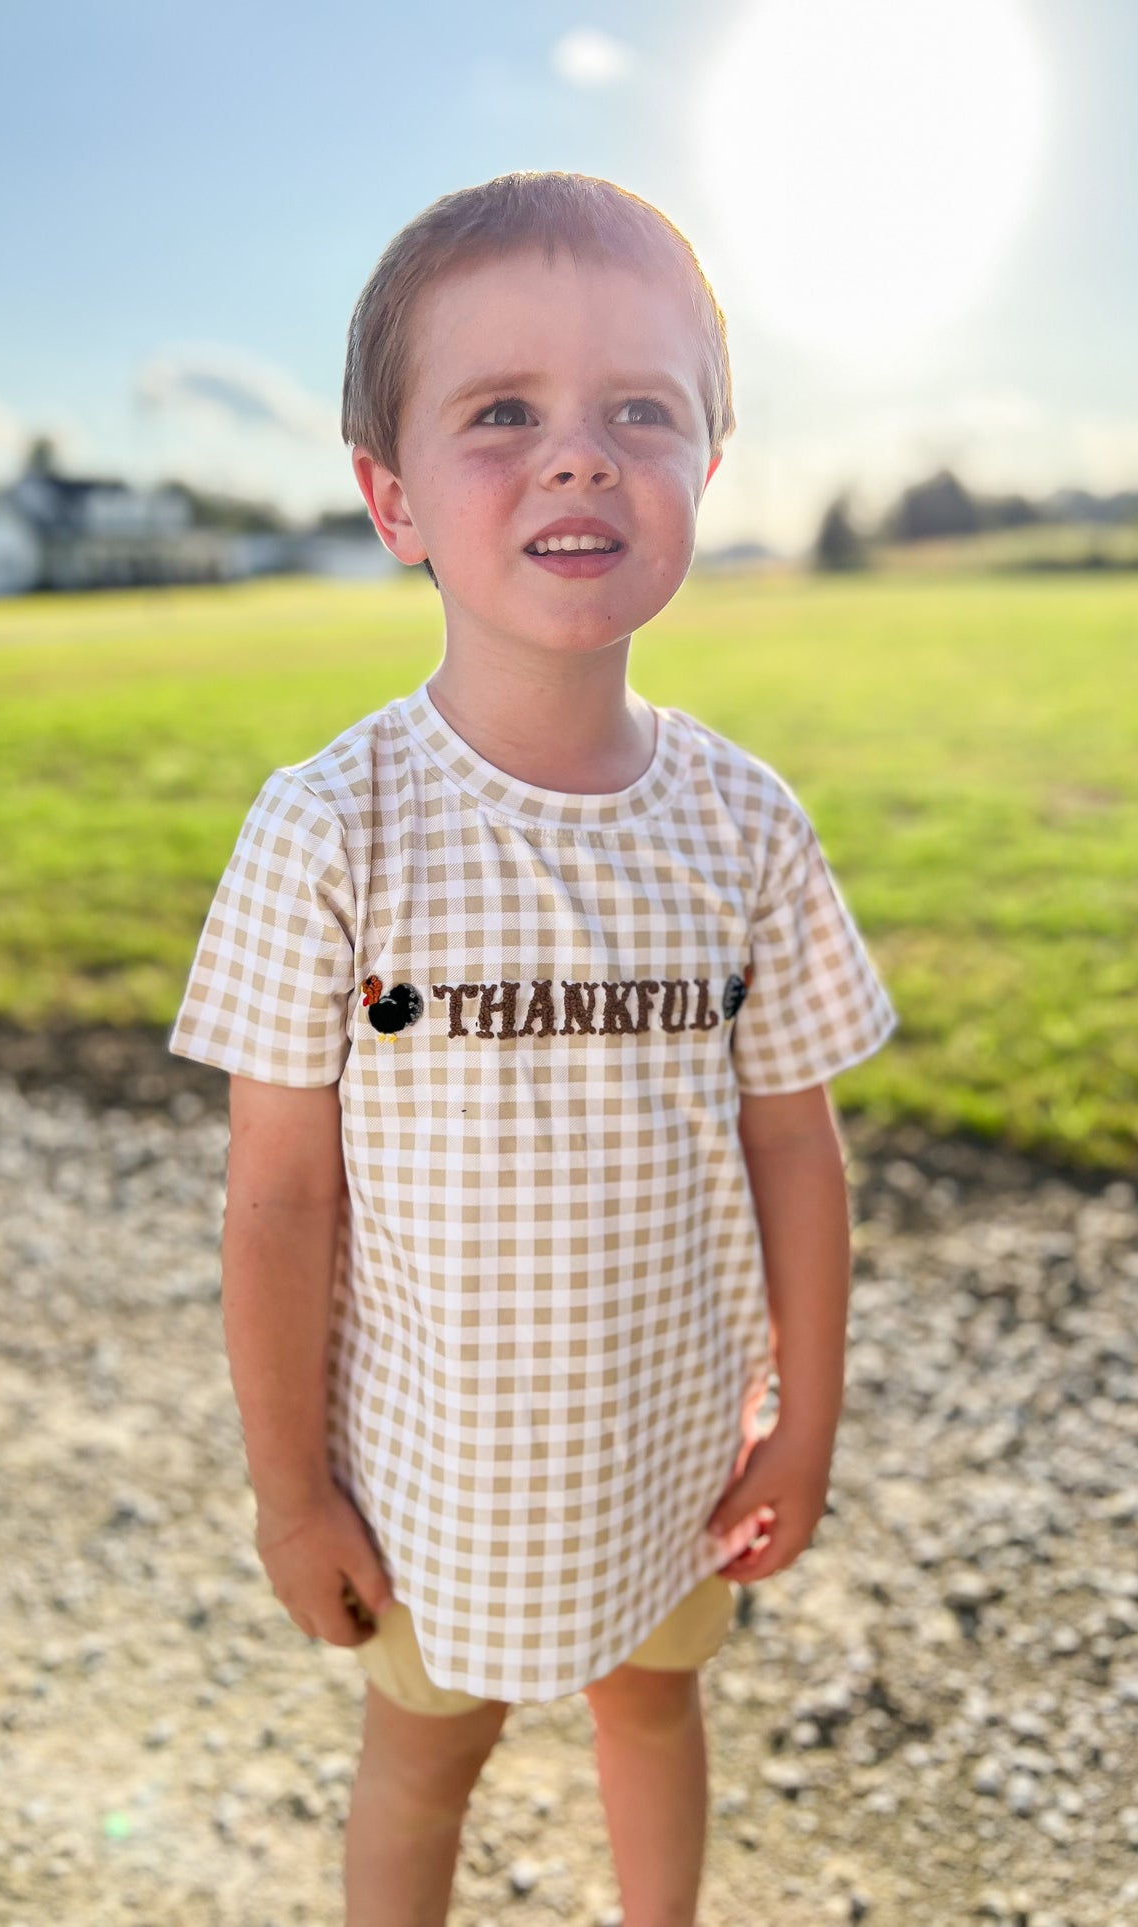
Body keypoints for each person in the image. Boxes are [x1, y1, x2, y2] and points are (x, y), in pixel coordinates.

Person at [167, 169, 899, 1927]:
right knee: (424, 1760)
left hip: (670, 1446)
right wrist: (291, 1501)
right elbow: (275, 1199)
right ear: (390, 495)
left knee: (654, 1705)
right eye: (503, 413)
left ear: (703, 469)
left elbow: (794, 1142)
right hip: (431, 1477)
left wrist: (799, 1423)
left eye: (636, 410)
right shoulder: (327, 827)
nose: (578, 455)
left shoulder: (741, 820)